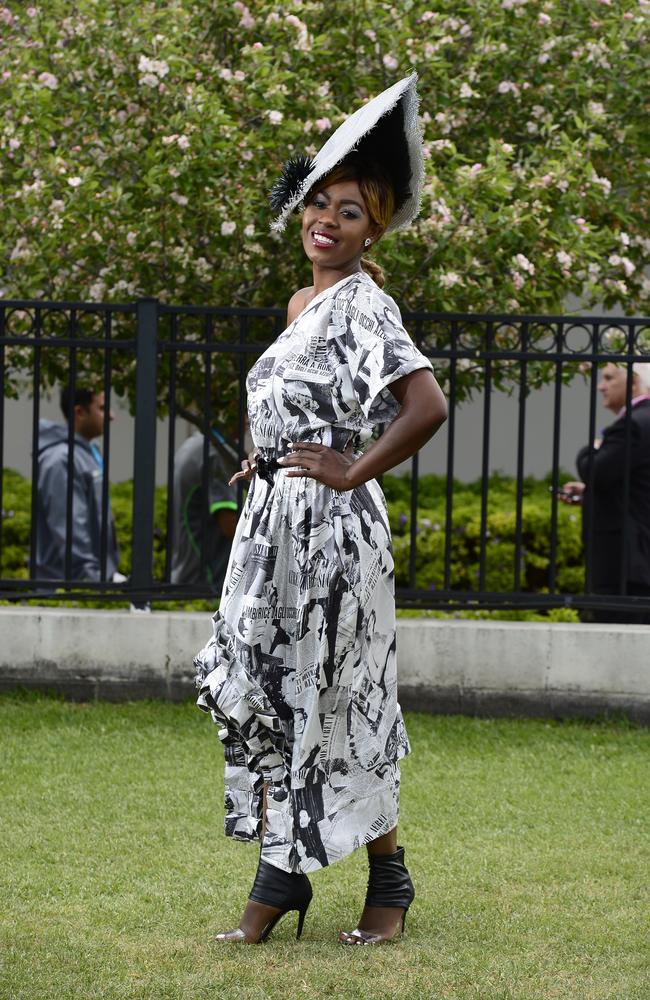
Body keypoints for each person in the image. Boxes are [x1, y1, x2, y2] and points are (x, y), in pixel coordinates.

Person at [193, 74, 447, 945]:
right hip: (273, 526)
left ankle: (383, 879)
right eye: (319, 204)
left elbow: (426, 406)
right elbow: (300, 404)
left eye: (349, 210)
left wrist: (350, 471)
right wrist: (259, 464)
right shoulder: (305, 303)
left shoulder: (366, 302)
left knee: (337, 696)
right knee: (265, 692)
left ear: (373, 229)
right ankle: (284, 873)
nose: (327, 220)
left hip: (331, 535)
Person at [560, 362, 650, 623]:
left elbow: (595, 469)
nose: (601, 386)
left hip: (625, 564)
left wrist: (592, 449)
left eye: (610, 378)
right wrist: (589, 494)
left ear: (633, 383)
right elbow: (636, 484)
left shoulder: (634, 424)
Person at [36, 387, 120, 584]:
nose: (111, 416)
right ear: (79, 413)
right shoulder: (61, 460)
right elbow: (70, 527)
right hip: (66, 587)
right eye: (102, 408)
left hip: (85, 582)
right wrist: (92, 577)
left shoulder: (88, 452)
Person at [170, 429, 238, 592]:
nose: (248, 418)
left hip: (187, 574)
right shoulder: (214, 453)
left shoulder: (194, 444)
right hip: (208, 580)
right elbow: (229, 526)